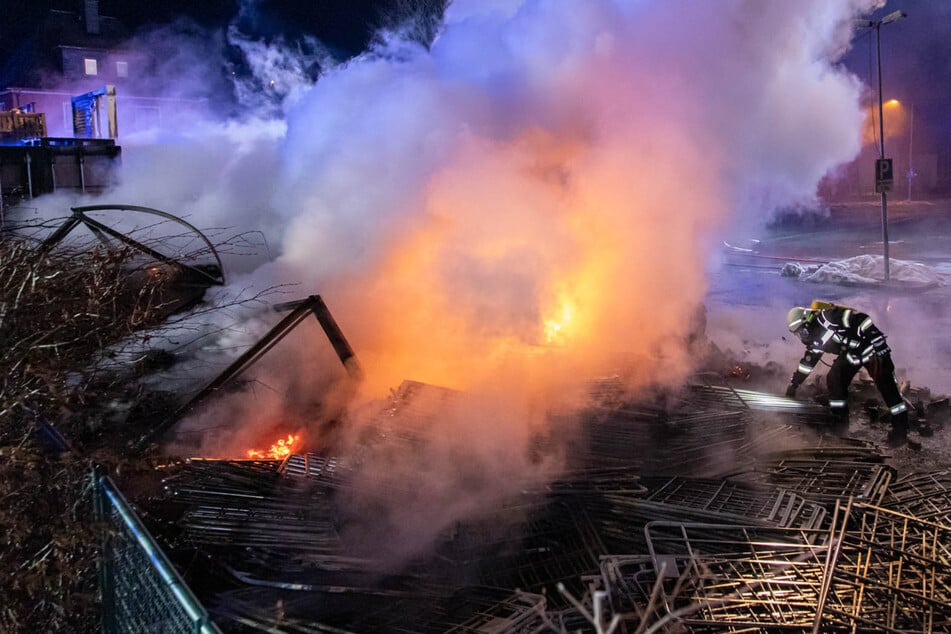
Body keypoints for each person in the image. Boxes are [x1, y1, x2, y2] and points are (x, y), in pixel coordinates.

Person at [784, 300, 913, 448]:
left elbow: (862, 319)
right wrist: (794, 383)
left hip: (871, 350)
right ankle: (839, 425)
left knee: (888, 389)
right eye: (798, 333)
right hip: (851, 354)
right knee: (834, 379)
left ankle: (900, 432)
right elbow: (808, 362)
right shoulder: (815, 339)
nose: (801, 335)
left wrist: (879, 344)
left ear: (808, 321)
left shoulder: (829, 317)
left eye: (801, 331)